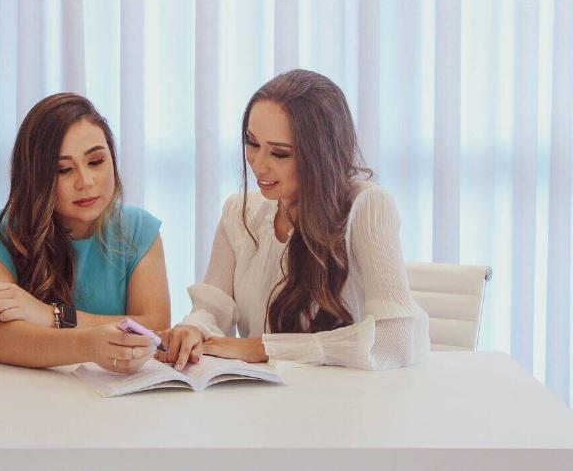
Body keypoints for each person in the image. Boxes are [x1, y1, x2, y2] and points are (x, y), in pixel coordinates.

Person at [160, 69, 429, 371]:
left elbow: (399, 338)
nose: (259, 166)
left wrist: (266, 348)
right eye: (252, 143)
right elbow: (212, 308)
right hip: (263, 400)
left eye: (279, 153)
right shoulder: (240, 212)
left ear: (320, 157)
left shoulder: (366, 205)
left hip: (344, 402)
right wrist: (193, 329)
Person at [0, 93, 170, 373]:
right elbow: (3, 342)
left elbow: (155, 328)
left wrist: (50, 315)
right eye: (64, 169)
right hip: (7, 389)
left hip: (106, 394)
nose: (85, 182)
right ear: (35, 176)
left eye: (96, 162)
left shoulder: (139, 229)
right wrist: (89, 344)